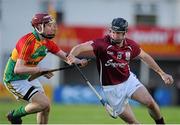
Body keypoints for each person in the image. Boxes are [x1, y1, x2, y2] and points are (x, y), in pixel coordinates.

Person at [67, 17, 174, 124]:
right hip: (112, 89)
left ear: (124, 33)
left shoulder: (131, 45)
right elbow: (80, 47)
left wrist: (162, 73)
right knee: (133, 123)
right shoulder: (101, 44)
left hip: (128, 81)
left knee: (150, 103)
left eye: (117, 33)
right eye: (112, 31)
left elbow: (145, 56)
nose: (114, 34)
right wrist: (73, 56)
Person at [3, 13, 87, 124]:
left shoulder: (48, 43)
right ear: (39, 27)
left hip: (28, 77)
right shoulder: (27, 42)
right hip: (14, 80)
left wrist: (78, 61)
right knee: (44, 103)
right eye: (49, 25)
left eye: (53, 24)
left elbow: (66, 57)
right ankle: (15, 115)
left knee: (46, 107)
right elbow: (18, 69)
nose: (53, 27)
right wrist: (39, 70)